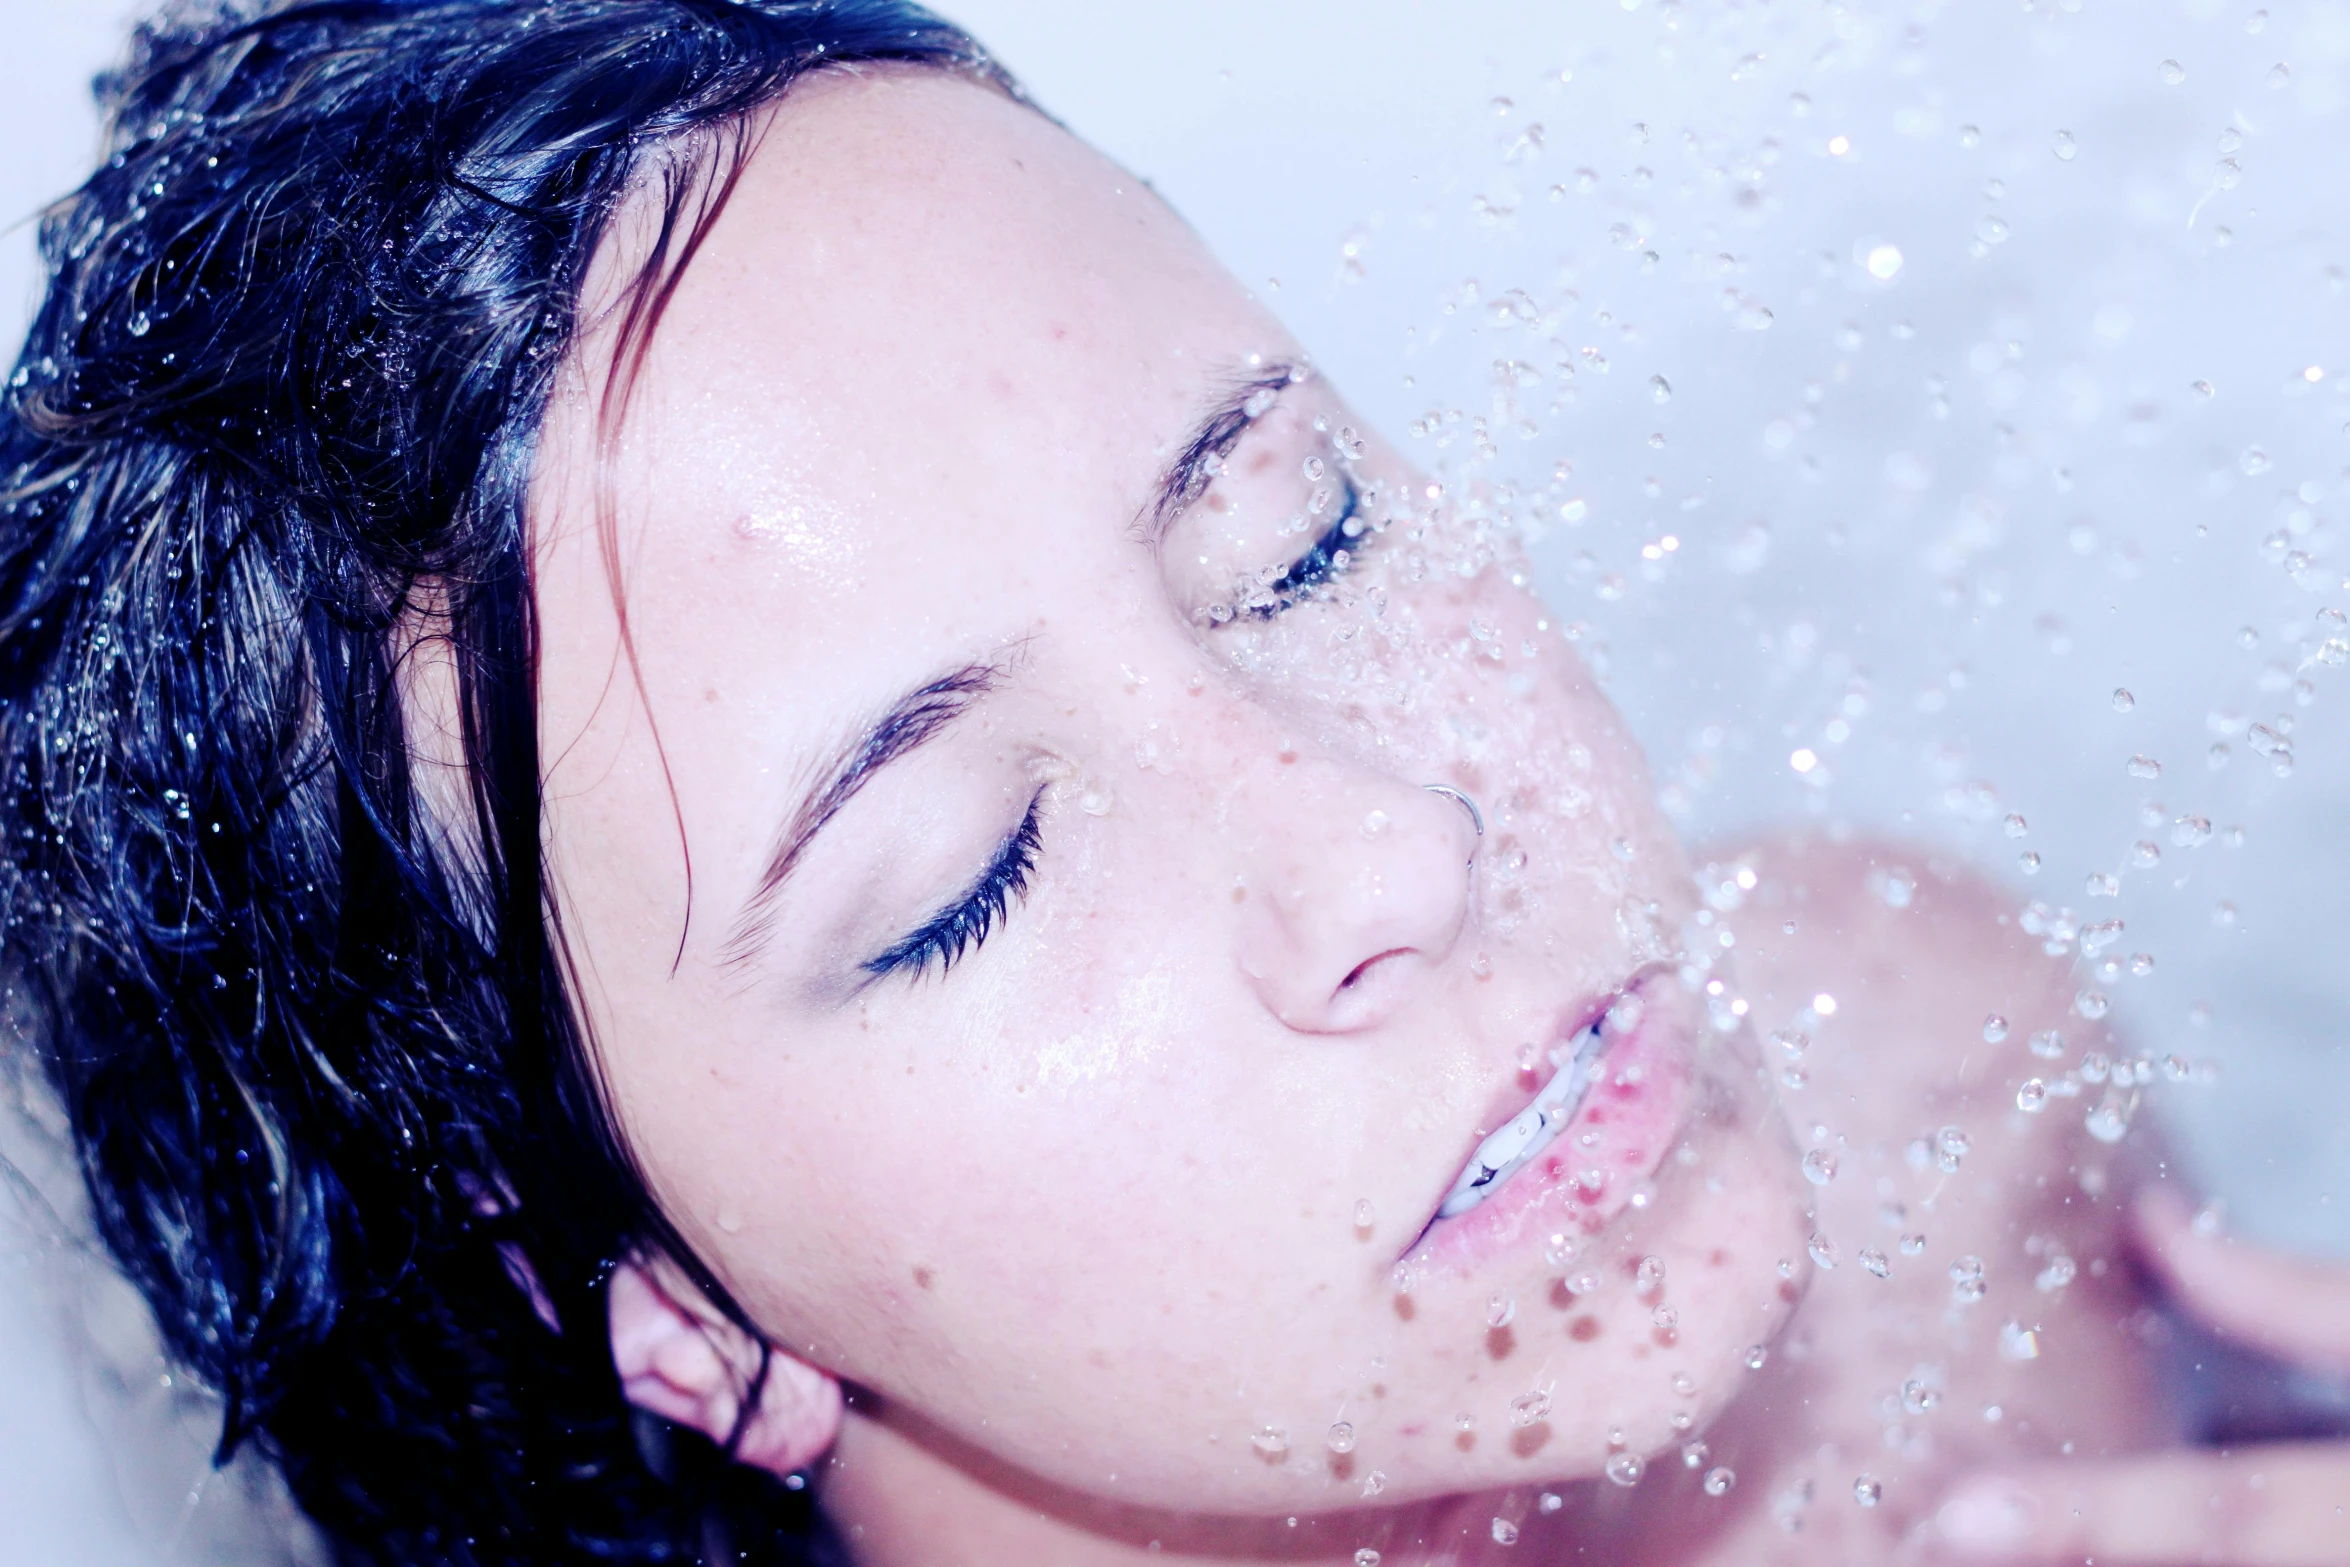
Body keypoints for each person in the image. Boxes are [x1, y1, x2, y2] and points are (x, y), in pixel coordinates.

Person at [0, 2, 2339, 1563]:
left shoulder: (1913, 1104)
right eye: (967, 880)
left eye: (1283, 534)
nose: (1396, 838)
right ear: (675, 1323)